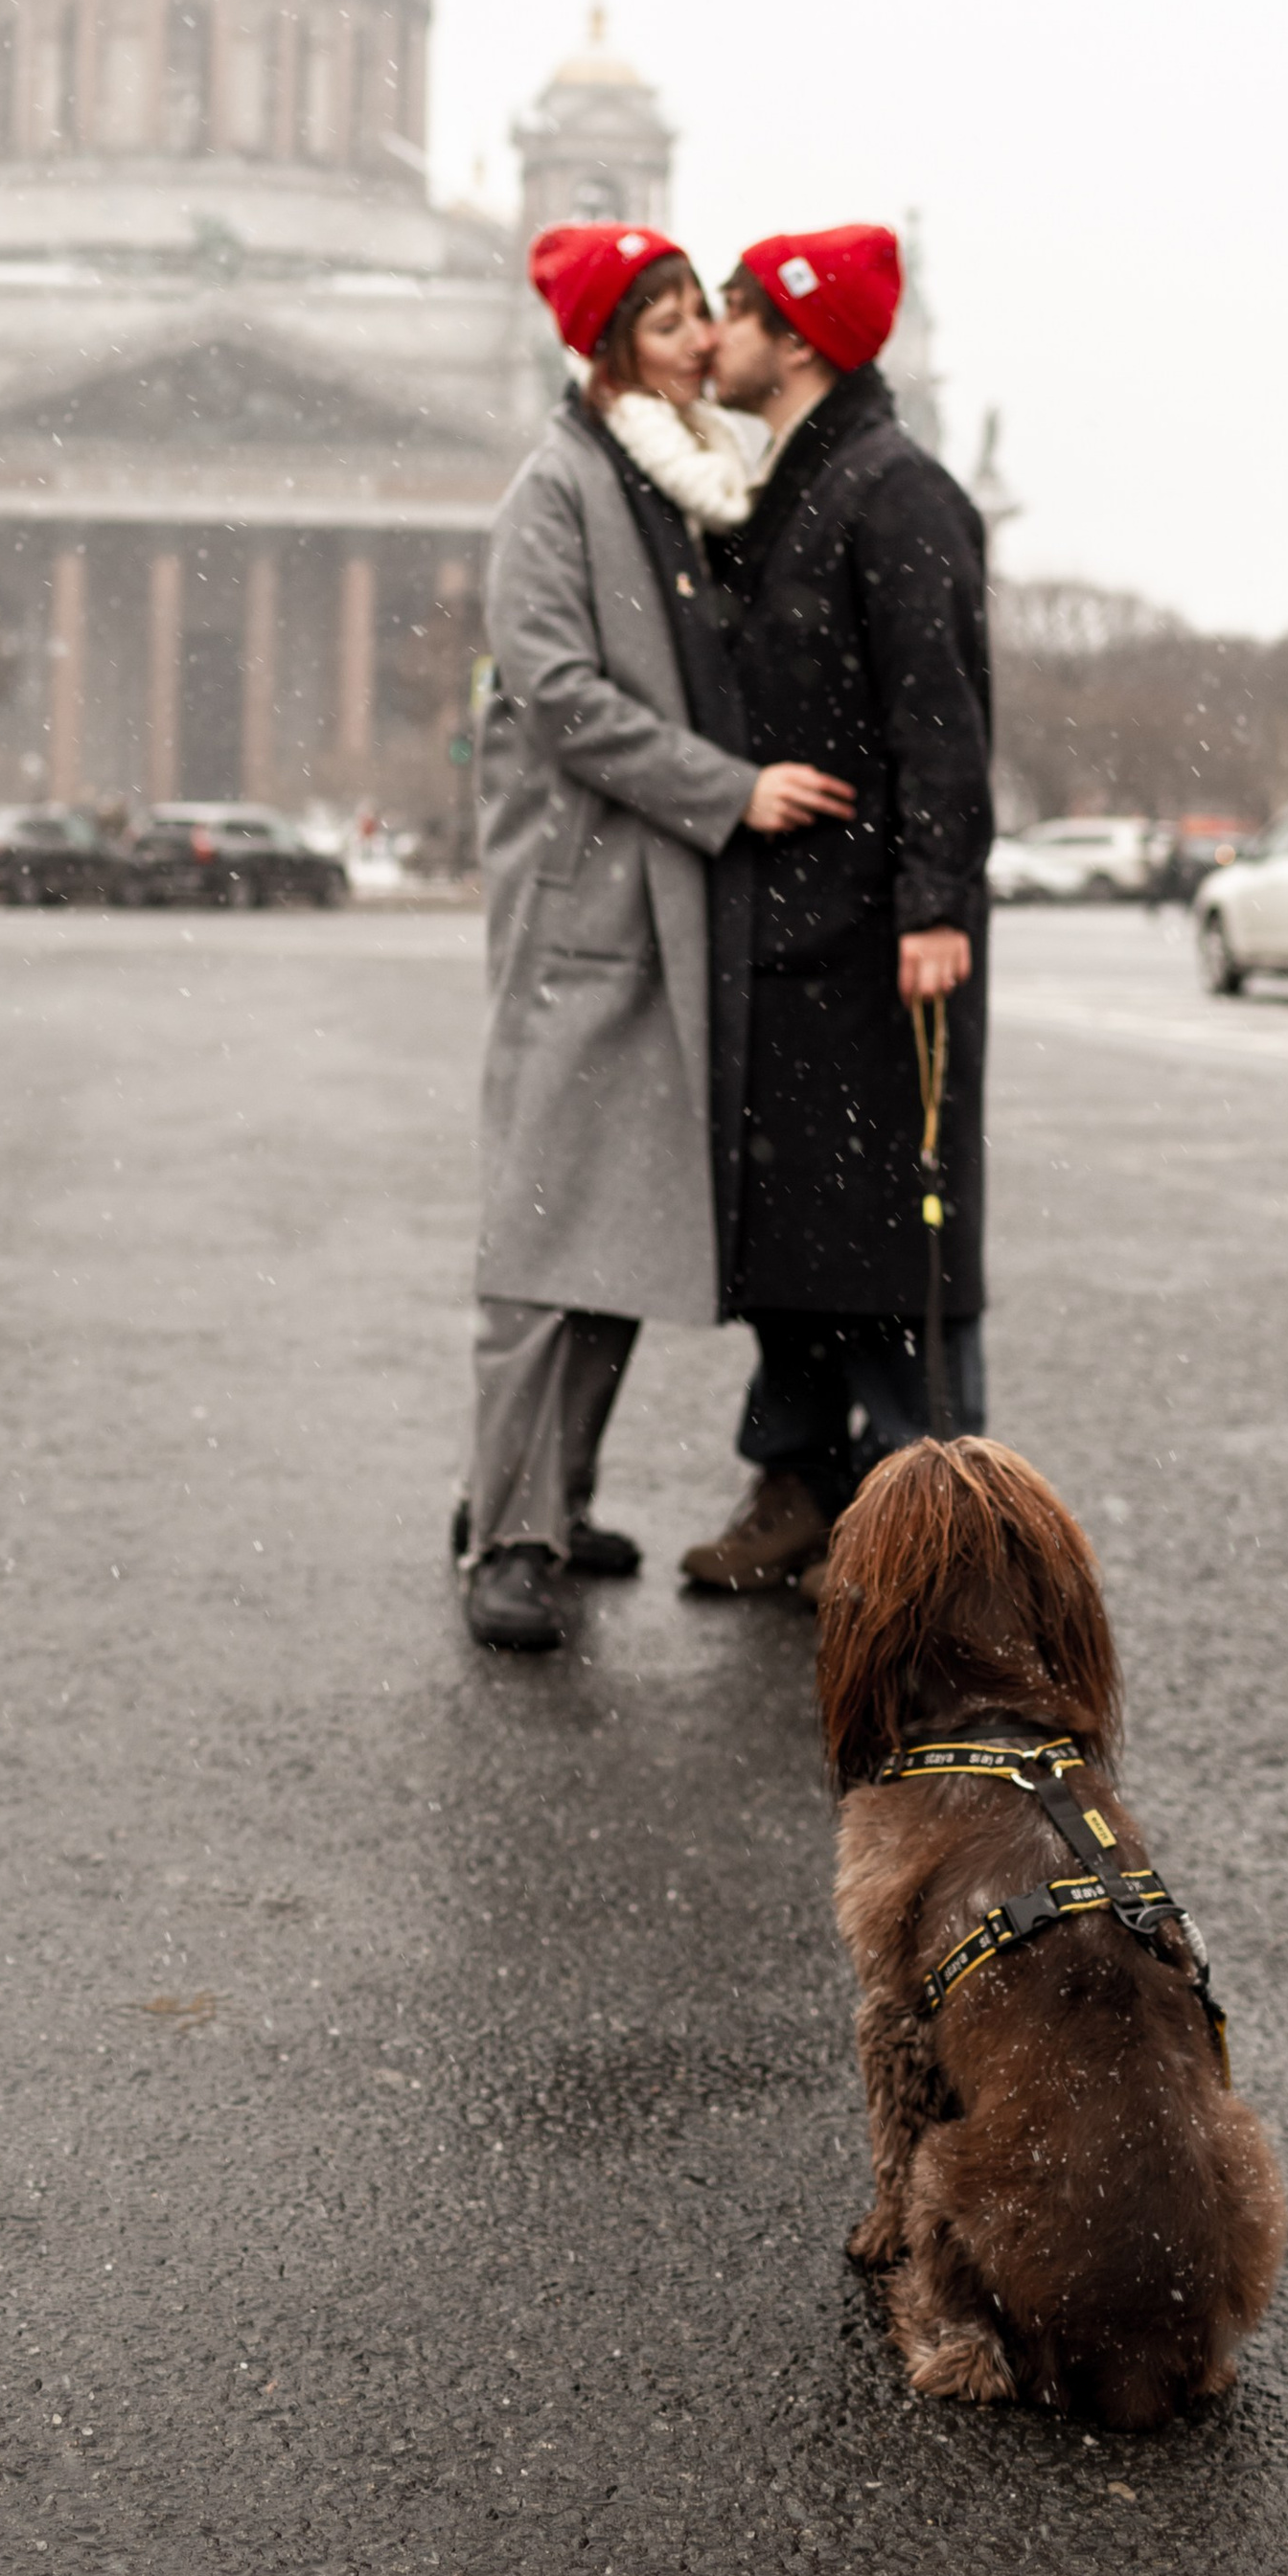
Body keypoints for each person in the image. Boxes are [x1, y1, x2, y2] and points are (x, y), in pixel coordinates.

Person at [466, 220, 855, 1651]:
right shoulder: (560, 487)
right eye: (678, 315)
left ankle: (551, 1502)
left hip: (667, 904)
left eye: (705, 311)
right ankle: (502, 1531)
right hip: (590, 907)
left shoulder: (681, 483)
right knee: (543, 1239)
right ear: (616, 340)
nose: (707, 336)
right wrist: (730, 791)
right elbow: (560, 694)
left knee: (617, 1229)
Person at [677, 223, 995, 1603]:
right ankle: (801, 1482)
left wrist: (933, 901)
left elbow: (943, 720)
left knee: (894, 1231)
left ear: (797, 339)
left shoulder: (896, 493)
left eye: (735, 314)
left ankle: (932, 1528)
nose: (712, 341)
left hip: (876, 934)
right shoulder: (790, 485)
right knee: (802, 1223)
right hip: (797, 931)